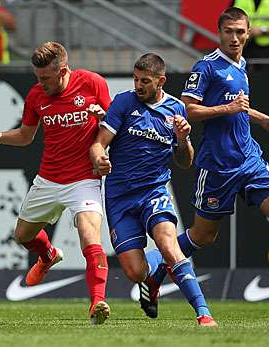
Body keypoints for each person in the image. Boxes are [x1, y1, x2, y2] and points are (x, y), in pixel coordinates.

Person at [144, 7, 269, 315]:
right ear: (219, 33)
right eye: (229, 32)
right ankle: (158, 267)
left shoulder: (241, 64)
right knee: (203, 236)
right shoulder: (207, 67)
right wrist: (227, 109)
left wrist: (263, 120)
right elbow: (187, 110)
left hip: (249, 158)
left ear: (248, 33)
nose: (235, 38)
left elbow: (238, 107)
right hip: (217, 166)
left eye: (241, 32)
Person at [0, 41, 111, 324]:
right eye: (37, 77)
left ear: (63, 70)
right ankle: (48, 255)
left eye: (45, 78)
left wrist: (104, 121)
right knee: (23, 236)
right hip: (49, 179)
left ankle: (97, 303)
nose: (40, 83)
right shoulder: (36, 95)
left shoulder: (92, 84)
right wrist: (0, 136)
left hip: (84, 179)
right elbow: (27, 136)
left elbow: (115, 126)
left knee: (90, 236)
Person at [90, 53, 217, 327]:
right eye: (136, 79)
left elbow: (184, 162)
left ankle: (203, 313)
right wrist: (99, 157)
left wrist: (183, 140)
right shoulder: (124, 102)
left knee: (169, 243)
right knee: (136, 272)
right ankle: (154, 269)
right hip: (120, 197)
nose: (138, 85)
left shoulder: (176, 110)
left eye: (145, 81)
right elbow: (99, 143)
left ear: (161, 81)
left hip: (154, 192)